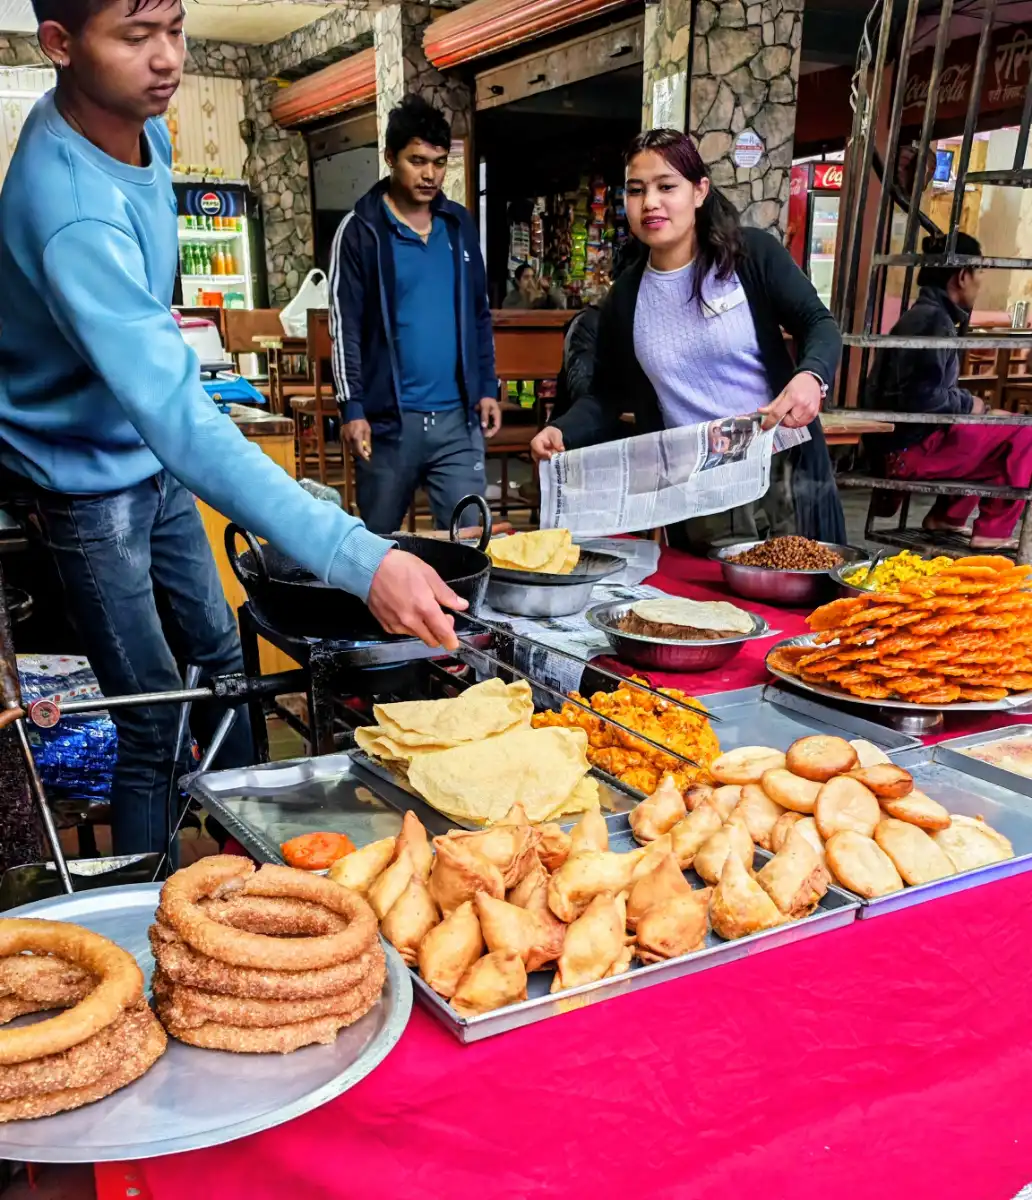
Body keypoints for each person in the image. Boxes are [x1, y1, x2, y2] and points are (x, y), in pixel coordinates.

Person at [0, 0, 467, 857]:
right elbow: (177, 423)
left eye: (174, 28)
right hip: (80, 483)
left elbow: (161, 370)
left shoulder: (146, 130)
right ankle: (146, 910)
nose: (167, 58)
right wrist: (363, 559)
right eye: (136, 38)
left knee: (222, 660)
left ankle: (252, 860)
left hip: (146, 451)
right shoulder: (67, 207)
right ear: (59, 45)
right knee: (151, 710)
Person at [530, 129, 846, 548]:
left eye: (667, 187)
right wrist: (561, 430)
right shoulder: (626, 296)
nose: (650, 203)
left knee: (794, 598)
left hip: (780, 469)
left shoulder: (749, 257)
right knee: (706, 607)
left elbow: (818, 323)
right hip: (697, 488)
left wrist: (811, 376)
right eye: (637, 190)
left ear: (699, 191)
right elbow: (607, 395)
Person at [329, 95, 501, 536]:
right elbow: (343, 325)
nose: (430, 175)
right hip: (388, 424)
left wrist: (485, 386)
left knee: (470, 542)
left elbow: (478, 314)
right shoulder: (360, 231)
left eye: (439, 163)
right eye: (417, 160)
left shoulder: (459, 226)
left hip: (457, 422)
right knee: (378, 547)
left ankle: (460, 609)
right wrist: (353, 409)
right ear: (390, 158)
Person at [863, 232, 1032, 550]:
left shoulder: (925, 316)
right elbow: (923, 398)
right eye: (980, 272)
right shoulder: (931, 322)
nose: (981, 283)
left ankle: (948, 518)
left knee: (997, 436)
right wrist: (973, 406)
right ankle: (992, 533)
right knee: (1025, 431)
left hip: (899, 446)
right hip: (904, 453)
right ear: (963, 275)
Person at [502, 264, 566, 310]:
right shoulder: (510, 298)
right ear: (517, 281)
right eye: (526, 277)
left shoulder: (540, 296)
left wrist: (549, 289)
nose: (530, 281)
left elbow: (560, 305)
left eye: (532, 277)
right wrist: (530, 300)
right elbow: (513, 314)